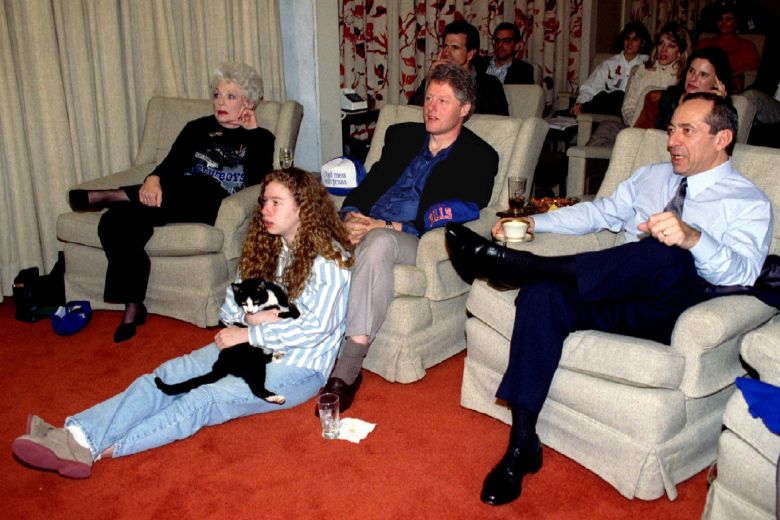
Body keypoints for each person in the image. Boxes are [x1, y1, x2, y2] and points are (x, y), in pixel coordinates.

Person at [445, 92, 772, 506]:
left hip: (673, 310)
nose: (672, 140)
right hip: (616, 293)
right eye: (672, 130)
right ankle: (521, 446)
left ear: (722, 137)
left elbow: (744, 273)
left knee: (667, 252)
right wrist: (529, 222)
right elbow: (597, 214)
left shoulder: (748, 201)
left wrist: (693, 238)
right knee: (544, 294)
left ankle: (525, 267)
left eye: (687, 131)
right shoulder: (652, 176)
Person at [12, 168, 352, 479]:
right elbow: (231, 307)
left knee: (203, 398)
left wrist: (252, 328)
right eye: (265, 201)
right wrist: (253, 321)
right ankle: (75, 434)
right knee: (166, 375)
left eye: (276, 202)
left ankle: (94, 450)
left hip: (296, 370)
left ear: (303, 208)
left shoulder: (330, 260)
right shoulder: (268, 246)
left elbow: (314, 328)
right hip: (247, 344)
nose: (264, 209)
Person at [320, 62, 499, 413]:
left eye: (442, 101)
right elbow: (370, 182)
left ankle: (348, 368)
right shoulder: (402, 135)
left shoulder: (479, 156)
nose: (430, 107)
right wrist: (351, 215)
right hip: (368, 223)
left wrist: (385, 228)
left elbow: (467, 209)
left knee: (379, 243)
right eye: (429, 98)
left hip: (408, 238)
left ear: (465, 109)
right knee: (304, 223)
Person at [68, 62, 275, 343]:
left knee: (200, 183)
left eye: (230, 96)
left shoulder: (260, 138)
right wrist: (152, 179)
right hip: (172, 197)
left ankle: (118, 193)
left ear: (248, 103)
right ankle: (133, 305)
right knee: (115, 220)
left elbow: (256, 182)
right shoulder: (196, 128)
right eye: (216, 95)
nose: (220, 102)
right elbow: (171, 164)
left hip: (211, 201)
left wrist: (252, 134)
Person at [409, 20, 509, 115]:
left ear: (470, 54)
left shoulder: (490, 85)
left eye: (455, 47)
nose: (447, 53)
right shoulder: (437, 80)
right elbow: (412, 110)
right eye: (445, 46)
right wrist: (431, 76)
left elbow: (500, 124)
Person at [637, 46, 731, 131]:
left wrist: (717, 106)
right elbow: (636, 137)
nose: (693, 78)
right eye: (691, 70)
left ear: (717, 82)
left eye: (703, 74)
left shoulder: (722, 111)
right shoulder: (657, 99)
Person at [571, 21, 652, 117]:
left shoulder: (647, 63)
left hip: (629, 109)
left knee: (620, 96)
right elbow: (590, 87)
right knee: (608, 96)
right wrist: (580, 103)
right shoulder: (609, 64)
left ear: (642, 43)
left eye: (635, 39)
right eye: (627, 38)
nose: (630, 43)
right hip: (605, 106)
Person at [620, 21, 690, 126]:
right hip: (635, 126)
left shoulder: (684, 76)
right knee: (605, 127)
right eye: (661, 43)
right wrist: (636, 124)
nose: (663, 50)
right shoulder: (642, 70)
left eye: (671, 46)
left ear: (679, 52)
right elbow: (627, 106)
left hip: (664, 131)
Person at [696, 2, 760, 93]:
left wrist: (731, 75)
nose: (723, 23)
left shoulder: (747, 46)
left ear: (735, 22)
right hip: (704, 85)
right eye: (720, 19)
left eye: (728, 19)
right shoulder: (704, 43)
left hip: (732, 88)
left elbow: (754, 67)